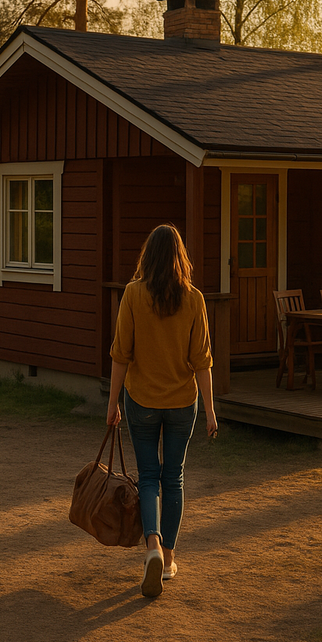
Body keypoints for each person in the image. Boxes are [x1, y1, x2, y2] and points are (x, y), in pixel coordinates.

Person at [107, 224, 218, 598]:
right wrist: (212, 413)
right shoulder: (195, 300)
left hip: (141, 402)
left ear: (147, 257)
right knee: (175, 477)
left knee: (149, 477)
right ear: (180, 258)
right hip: (183, 403)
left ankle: (152, 545)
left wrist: (111, 405)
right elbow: (202, 360)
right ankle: (168, 559)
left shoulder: (133, 295)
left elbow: (121, 353)